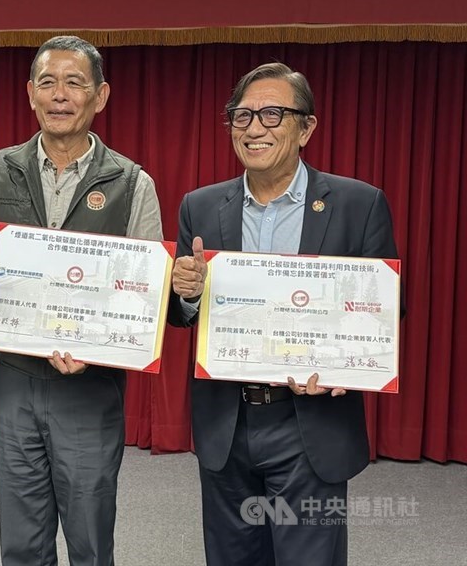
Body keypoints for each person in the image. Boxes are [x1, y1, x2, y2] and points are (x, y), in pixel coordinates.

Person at [0, 35, 163, 566]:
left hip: (90, 385)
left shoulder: (133, 182)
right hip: (13, 376)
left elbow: (146, 297)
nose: (59, 95)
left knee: (89, 534)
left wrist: (102, 345)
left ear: (101, 96)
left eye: (74, 83)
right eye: (47, 82)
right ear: (30, 93)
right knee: (21, 536)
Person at [168, 63, 400, 566]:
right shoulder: (201, 207)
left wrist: (342, 364)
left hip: (311, 421)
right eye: (242, 115)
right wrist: (185, 292)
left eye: (273, 114)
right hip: (227, 422)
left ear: (307, 127)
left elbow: (384, 313)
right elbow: (182, 312)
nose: (254, 128)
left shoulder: (358, 204)